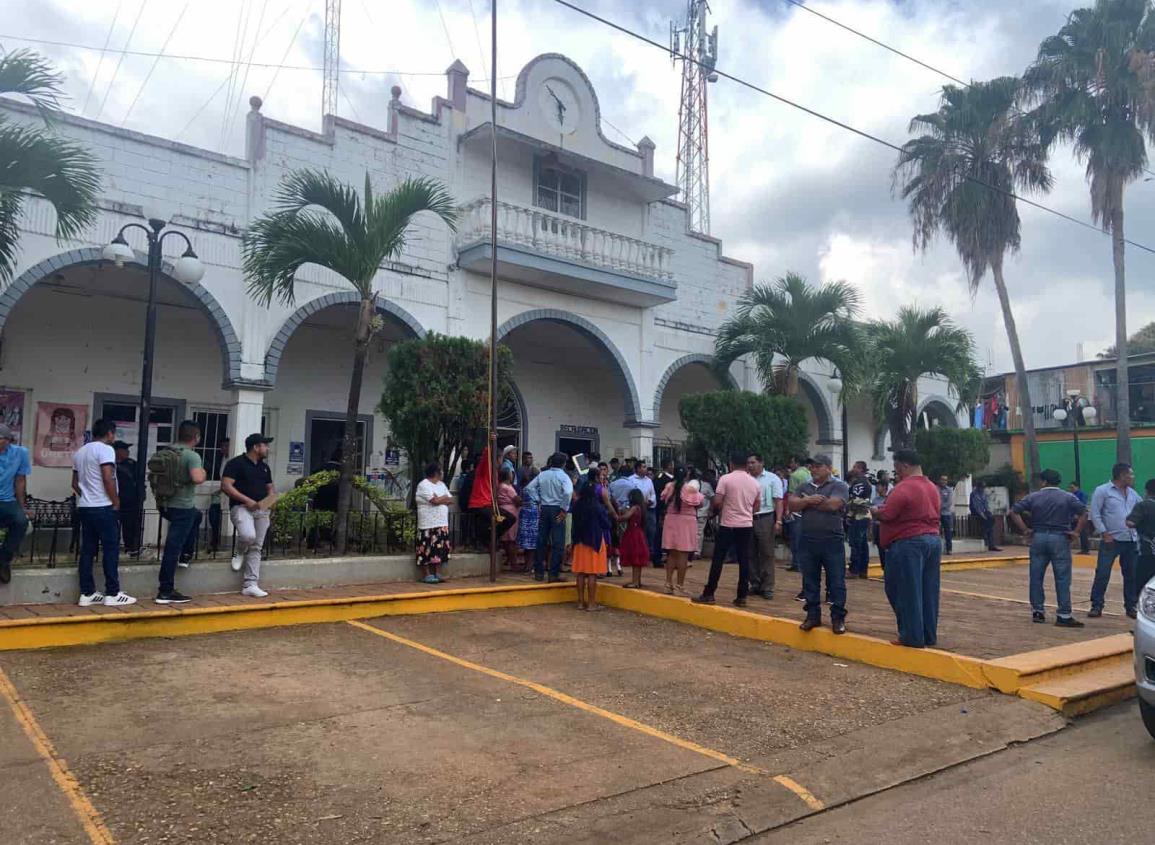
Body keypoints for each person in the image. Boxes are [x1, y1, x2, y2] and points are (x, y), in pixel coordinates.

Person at [873, 450, 942, 647]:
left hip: (908, 542)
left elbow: (888, 514)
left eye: (896, 469)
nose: (896, 473)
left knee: (905, 590)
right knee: (928, 590)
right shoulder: (932, 487)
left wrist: (875, 511)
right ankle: (928, 635)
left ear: (904, 466)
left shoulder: (904, 488)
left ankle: (912, 636)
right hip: (932, 540)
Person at [1009, 468, 1087, 627]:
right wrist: (1076, 532)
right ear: (1059, 482)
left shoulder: (1034, 497)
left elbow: (1014, 512)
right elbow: (1084, 513)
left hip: (1039, 536)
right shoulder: (1068, 497)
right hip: (1060, 537)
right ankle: (1064, 614)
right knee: (1062, 577)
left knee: (1036, 576)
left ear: (1043, 481)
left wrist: (1025, 530)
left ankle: (1038, 611)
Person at [72, 419, 135, 607]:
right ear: (109, 433)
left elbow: (74, 483)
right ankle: (112, 593)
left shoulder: (80, 452)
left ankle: (87, 592)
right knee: (110, 549)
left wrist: (88, 497)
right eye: (113, 434)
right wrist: (115, 502)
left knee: (87, 550)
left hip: (85, 507)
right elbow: (108, 477)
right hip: (104, 507)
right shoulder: (106, 450)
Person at [693, 453, 761, 607]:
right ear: (746, 465)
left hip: (728, 524)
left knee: (718, 559)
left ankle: (709, 592)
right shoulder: (754, 483)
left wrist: (726, 507)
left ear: (731, 464)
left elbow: (717, 501)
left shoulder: (726, 479)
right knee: (744, 560)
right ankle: (742, 595)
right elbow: (756, 506)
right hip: (746, 524)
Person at [790, 453, 848, 634]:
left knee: (837, 581)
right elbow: (792, 504)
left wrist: (806, 503)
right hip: (808, 540)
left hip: (832, 540)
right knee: (810, 580)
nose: (813, 470)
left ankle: (837, 618)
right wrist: (807, 500)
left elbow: (833, 505)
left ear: (828, 468)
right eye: (812, 467)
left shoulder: (839, 486)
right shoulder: (804, 486)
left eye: (818, 466)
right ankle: (812, 615)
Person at [154, 420, 206, 604]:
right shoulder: (191, 456)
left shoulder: (166, 451)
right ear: (196, 437)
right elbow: (198, 478)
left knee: (197, 516)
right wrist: (204, 472)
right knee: (172, 548)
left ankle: (186, 554)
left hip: (165, 504)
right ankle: (165, 591)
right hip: (182, 506)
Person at [221, 433, 276, 598]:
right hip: (241, 507)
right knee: (248, 535)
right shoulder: (235, 464)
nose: (267, 448)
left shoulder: (264, 467)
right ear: (255, 447)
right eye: (265, 445)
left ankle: (250, 584)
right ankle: (239, 550)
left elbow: (270, 487)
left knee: (257, 546)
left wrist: (270, 500)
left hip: (262, 510)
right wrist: (247, 501)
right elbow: (226, 485)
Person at [1089, 462, 1143, 619]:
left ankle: (1131, 606)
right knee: (1103, 573)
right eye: (1130, 474)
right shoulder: (1102, 491)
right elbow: (1095, 514)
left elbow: (1141, 510)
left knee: (1131, 574)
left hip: (1131, 540)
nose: (1133, 477)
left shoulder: (1133, 494)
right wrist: (1104, 533)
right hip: (1111, 540)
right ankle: (1096, 605)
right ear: (1122, 475)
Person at [523, 452, 574, 582]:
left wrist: (538, 500)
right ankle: (553, 574)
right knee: (558, 543)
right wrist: (564, 508)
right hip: (557, 508)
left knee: (541, 540)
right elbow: (568, 492)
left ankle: (539, 572)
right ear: (563, 464)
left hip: (544, 508)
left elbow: (529, 488)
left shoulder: (543, 474)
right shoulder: (564, 476)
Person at [571, 467, 611, 610]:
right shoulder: (597, 506)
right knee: (592, 573)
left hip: (579, 541)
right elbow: (606, 524)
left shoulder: (576, 506)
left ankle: (580, 602)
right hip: (593, 541)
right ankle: (592, 603)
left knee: (580, 573)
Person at [661, 466, 704, 595]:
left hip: (671, 520)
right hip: (686, 521)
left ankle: (668, 584)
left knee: (672, 553)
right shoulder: (690, 489)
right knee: (683, 555)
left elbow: (663, 499)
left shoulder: (669, 486)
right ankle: (680, 585)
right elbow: (700, 503)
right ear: (687, 475)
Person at [747, 453, 784, 599]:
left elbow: (779, 500)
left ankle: (767, 586)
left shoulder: (772, 478)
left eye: (753, 462)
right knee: (750, 552)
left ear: (761, 463)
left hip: (765, 517)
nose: (750, 465)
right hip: (747, 518)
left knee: (766, 552)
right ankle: (754, 583)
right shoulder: (746, 478)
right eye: (748, 463)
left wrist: (778, 520)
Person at [0, 423, 30, 585]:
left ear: (8, 440)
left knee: (21, 521)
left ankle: (3, 560)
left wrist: (22, 506)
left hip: (8, 500)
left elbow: (20, 481)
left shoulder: (20, 453)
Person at [415, 462, 453, 583]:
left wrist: (440, 499)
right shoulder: (424, 485)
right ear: (436, 472)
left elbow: (450, 499)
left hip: (441, 522)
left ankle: (437, 572)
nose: (442, 473)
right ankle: (426, 574)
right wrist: (442, 499)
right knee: (426, 547)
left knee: (439, 548)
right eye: (440, 471)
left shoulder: (442, 485)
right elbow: (434, 500)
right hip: (428, 523)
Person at [1126, 479, 1155, 599]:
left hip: (1146, 549)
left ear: (1147, 491)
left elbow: (1130, 522)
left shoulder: (1143, 505)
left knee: (1142, 581)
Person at [784, 455, 812, 572]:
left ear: (796, 463)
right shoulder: (809, 474)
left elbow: (791, 494)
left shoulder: (795, 476)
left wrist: (788, 509)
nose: (790, 465)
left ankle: (797, 563)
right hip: (809, 509)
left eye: (792, 462)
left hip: (797, 510)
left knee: (795, 537)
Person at [617, 488, 650, 588]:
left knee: (635, 558)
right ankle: (637, 581)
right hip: (639, 532)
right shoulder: (641, 508)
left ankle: (635, 582)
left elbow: (626, 517)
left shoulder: (634, 508)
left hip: (633, 533)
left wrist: (618, 517)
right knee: (638, 559)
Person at [113, 439, 141, 556]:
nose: (127, 452)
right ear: (118, 451)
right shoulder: (110, 464)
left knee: (130, 527)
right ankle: (113, 548)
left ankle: (131, 548)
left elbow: (139, 480)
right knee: (113, 528)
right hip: (114, 500)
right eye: (125, 449)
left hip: (130, 501)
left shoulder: (132, 464)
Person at [628, 459, 658, 565]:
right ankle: (637, 554)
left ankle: (649, 553)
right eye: (643, 467)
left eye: (645, 467)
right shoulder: (630, 480)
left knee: (651, 531)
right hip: (637, 510)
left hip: (649, 509)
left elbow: (653, 493)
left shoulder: (649, 480)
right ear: (637, 468)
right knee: (640, 532)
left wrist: (651, 501)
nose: (645, 469)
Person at [846, 461, 873, 578]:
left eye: (855, 467)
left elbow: (855, 500)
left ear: (861, 469)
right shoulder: (866, 482)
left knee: (856, 542)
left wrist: (849, 514)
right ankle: (863, 570)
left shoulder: (859, 483)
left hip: (859, 515)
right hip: (865, 515)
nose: (853, 469)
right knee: (862, 544)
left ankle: (854, 570)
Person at [208, 436, 231, 554]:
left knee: (219, 516)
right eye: (222, 446)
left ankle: (217, 542)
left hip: (229, 493)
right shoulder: (221, 459)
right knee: (213, 515)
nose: (223, 448)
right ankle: (214, 540)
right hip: (221, 492)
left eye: (226, 446)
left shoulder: (231, 460)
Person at [496, 467, 521, 569]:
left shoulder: (500, 486)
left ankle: (510, 560)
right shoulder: (507, 487)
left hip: (504, 510)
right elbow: (517, 500)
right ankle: (514, 563)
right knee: (510, 539)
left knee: (507, 538)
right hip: (510, 511)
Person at [652, 458, 675, 567]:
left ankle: (662, 556)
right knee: (660, 534)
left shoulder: (660, 477)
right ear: (669, 466)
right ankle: (658, 557)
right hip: (664, 510)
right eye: (672, 465)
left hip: (665, 510)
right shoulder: (664, 478)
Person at [969, 480, 1001, 552]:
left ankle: (986, 534)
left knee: (991, 520)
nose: (983, 489)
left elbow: (986, 505)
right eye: (982, 487)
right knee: (988, 522)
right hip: (976, 512)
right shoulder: (974, 494)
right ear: (978, 487)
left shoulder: (983, 494)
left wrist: (988, 512)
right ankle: (989, 542)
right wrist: (982, 514)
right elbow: (976, 506)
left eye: (984, 487)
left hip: (984, 511)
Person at [695, 468, 716, 559]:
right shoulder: (689, 485)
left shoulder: (707, 486)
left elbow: (712, 498)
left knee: (699, 532)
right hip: (690, 513)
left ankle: (697, 552)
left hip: (702, 512)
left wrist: (711, 510)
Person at [871, 477, 891, 568]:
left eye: (879, 486)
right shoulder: (875, 500)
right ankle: (884, 568)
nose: (877, 488)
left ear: (884, 487)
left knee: (887, 549)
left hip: (886, 527)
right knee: (880, 548)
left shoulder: (890, 499)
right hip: (876, 526)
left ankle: (888, 569)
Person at [1069, 482, 1091, 554]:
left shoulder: (1081, 494)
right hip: (1072, 516)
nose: (1071, 489)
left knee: (1083, 533)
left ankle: (1085, 549)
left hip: (1080, 517)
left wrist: (1078, 515)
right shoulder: (1071, 495)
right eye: (1070, 488)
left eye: (1072, 487)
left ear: (1077, 487)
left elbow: (1083, 505)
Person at [937, 475, 955, 555]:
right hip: (936, 514)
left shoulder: (949, 490)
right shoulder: (936, 489)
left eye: (945, 480)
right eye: (942, 480)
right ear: (939, 480)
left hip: (946, 514)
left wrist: (939, 507)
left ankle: (949, 549)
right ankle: (937, 549)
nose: (943, 481)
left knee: (948, 532)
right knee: (936, 532)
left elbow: (949, 502)